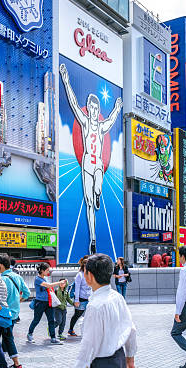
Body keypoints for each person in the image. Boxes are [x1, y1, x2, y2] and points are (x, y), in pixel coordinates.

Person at [59, 62, 123, 254]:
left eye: (95, 108)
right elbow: (71, 101)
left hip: (98, 164)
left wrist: (118, 108)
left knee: (97, 184)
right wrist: (66, 79)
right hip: (87, 162)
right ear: (88, 108)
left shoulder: (101, 126)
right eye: (91, 108)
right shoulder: (85, 123)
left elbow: (111, 120)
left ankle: (98, 193)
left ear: (97, 109)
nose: (93, 111)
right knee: (88, 204)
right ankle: (93, 239)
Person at [74, 254, 137, 368]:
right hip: (119, 356)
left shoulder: (95, 306)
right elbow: (131, 329)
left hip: (102, 361)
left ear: (90, 276)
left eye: (85, 271)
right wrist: (130, 359)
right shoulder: (117, 297)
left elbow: (88, 344)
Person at [0, 255, 30, 368]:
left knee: (5, 338)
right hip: (14, 314)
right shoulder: (17, 277)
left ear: (1, 265)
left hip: (3, 314)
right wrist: (18, 301)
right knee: (3, 337)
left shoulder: (1, 279)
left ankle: (16, 363)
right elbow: (27, 293)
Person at [27, 263, 64, 345]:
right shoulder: (37, 279)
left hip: (49, 302)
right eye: (47, 270)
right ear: (42, 270)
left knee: (51, 320)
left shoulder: (45, 278)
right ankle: (30, 334)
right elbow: (49, 285)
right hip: (40, 303)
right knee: (36, 320)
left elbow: (49, 287)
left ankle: (53, 338)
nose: (48, 271)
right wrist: (59, 282)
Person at [68, 255, 93, 337]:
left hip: (89, 298)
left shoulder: (90, 274)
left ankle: (87, 331)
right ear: (84, 265)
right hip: (81, 299)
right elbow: (77, 288)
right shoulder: (80, 275)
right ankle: (71, 329)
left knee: (89, 316)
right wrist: (76, 300)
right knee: (77, 315)